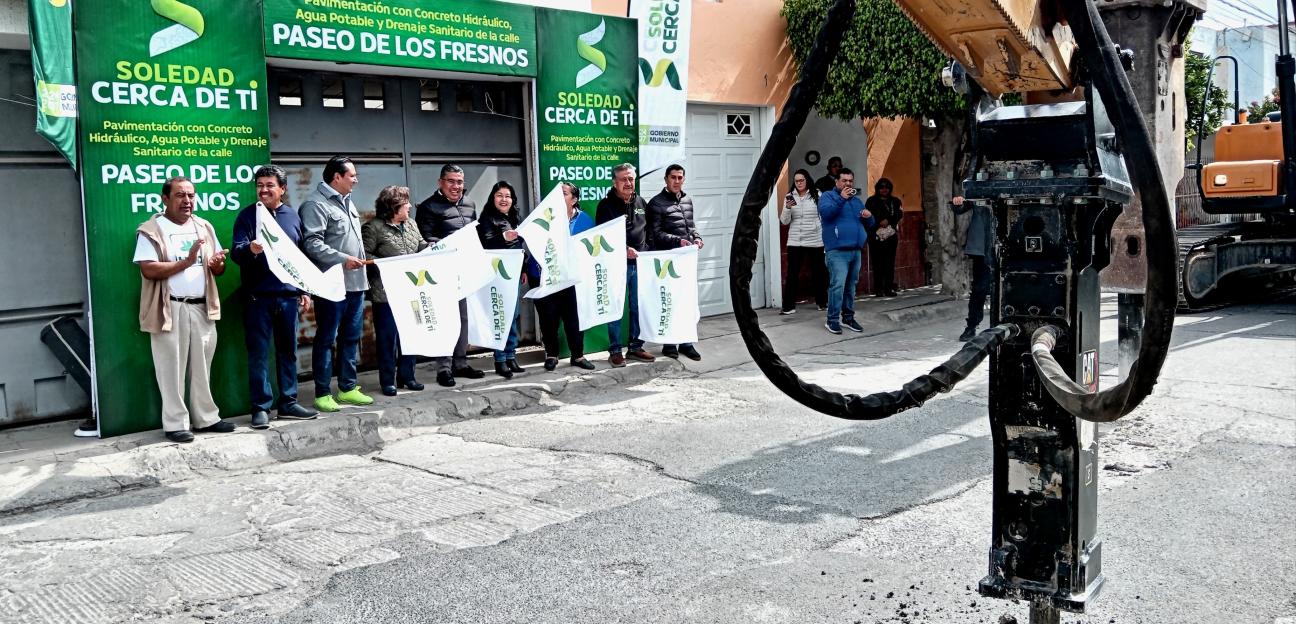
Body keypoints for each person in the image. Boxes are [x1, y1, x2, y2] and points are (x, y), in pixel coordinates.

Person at [134, 176, 234, 443]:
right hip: (170, 308)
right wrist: (187, 261)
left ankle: (206, 418)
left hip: (202, 307)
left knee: (203, 365)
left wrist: (216, 265)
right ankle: (176, 423)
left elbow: (218, 269)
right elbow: (148, 268)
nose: (187, 201)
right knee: (171, 367)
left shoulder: (203, 226)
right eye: (180, 195)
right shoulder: (152, 229)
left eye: (191, 195)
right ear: (165, 199)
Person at [230, 165, 319, 429]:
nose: (264, 190)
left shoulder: (292, 216)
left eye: (270, 185)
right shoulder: (248, 217)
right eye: (260, 185)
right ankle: (261, 407)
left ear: (282, 189)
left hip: (288, 298)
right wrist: (252, 249)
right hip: (258, 298)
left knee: (288, 352)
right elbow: (237, 253)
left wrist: (303, 290)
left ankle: (289, 403)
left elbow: (300, 258)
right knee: (258, 354)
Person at [300, 155, 374, 413]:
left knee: (351, 337)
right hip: (332, 286)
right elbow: (312, 243)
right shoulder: (315, 204)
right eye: (352, 175)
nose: (356, 180)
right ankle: (322, 392)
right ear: (337, 177)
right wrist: (343, 260)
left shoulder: (347, 202)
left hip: (355, 283)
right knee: (327, 338)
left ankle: (347, 388)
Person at [415, 164, 484, 387]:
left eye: (460, 182)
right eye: (451, 181)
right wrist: (446, 245)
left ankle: (461, 363)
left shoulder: (470, 204)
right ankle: (443, 368)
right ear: (440, 183)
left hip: (464, 270)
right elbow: (424, 240)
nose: (456, 186)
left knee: (463, 318)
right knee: (445, 320)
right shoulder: (428, 207)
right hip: (441, 271)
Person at [363, 185, 429, 396]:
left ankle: (407, 377)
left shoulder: (411, 223)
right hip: (385, 293)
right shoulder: (373, 227)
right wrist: (390, 263)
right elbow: (365, 254)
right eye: (405, 202)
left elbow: (420, 245)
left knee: (411, 335)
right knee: (387, 339)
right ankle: (387, 381)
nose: (409, 206)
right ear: (394, 206)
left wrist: (433, 247)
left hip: (411, 290)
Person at [596, 163, 656, 368]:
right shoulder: (605, 205)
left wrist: (647, 251)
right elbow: (601, 238)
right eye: (624, 179)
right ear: (615, 182)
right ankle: (615, 350)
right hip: (616, 266)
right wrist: (622, 250)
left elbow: (647, 230)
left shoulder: (641, 202)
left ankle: (635, 347)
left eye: (631, 178)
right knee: (615, 308)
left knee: (637, 307)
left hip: (640, 264)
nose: (628, 183)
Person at [535, 182, 597, 372]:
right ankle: (551, 355)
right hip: (550, 277)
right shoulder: (545, 217)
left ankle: (577, 356)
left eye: (564, 194)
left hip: (574, 280)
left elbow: (592, 249)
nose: (559, 198)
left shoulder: (585, 220)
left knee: (575, 320)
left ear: (574, 199)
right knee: (549, 320)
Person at [646, 164, 703, 361]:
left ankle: (686, 343)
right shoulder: (655, 203)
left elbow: (691, 226)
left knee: (686, 302)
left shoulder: (687, 200)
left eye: (680, 177)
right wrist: (677, 241)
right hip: (668, 260)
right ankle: (669, 345)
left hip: (686, 259)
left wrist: (697, 237)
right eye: (673, 177)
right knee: (670, 302)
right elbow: (655, 234)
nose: (677, 181)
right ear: (666, 179)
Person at [476, 180, 528, 379]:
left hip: (514, 274)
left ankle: (511, 355)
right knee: (500, 316)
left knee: (513, 316)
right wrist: (503, 238)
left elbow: (520, 246)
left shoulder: (515, 217)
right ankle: (499, 359)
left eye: (507, 196)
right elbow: (486, 243)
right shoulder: (487, 219)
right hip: (498, 275)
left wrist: (523, 267)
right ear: (493, 198)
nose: (504, 199)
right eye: (499, 196)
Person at [817, 168, 874, 335]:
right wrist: (841, 199)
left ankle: (848, 318)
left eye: (850, 181)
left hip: (855, 250)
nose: (848, 184)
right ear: (837, 182)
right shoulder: (828, 196)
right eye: (844, 180)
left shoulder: (856, 201)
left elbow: (870, 224)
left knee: (851, 286)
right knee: (838, 285)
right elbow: (826, 214)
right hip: (836, 250)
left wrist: (869, 216)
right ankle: (832, 320)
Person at [779, 168, 827, 314]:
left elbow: (823, 216)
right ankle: (788, 306)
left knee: (818, 272)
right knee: (792, 273)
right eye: (796, 181)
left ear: (807, 180)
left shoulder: (816, 194)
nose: (799, 183)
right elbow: (784, 221)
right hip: (795, 241)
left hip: (815, 239)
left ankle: (822, 302)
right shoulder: (790, 196)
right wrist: (787, 208)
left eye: (801, 180)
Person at [952, 195, 994, 342]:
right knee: (979, 289)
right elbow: (963, 206)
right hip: (982, 248)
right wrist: (958, 202)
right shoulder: (981, 187)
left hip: (1011, 245)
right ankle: (971, 326)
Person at [865, 177, 904, 297]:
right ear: (877, 188)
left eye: (887, 187)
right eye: (881, 187)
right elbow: (867, 216)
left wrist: (889, 220)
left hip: (890, 236)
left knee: (889, 263)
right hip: (875, 236)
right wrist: (879, 222)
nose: (884, 189)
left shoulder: (895, 201)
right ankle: (879, 289)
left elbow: (899, 214)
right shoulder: (871, 201)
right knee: (877, 263)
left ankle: (888, 288)